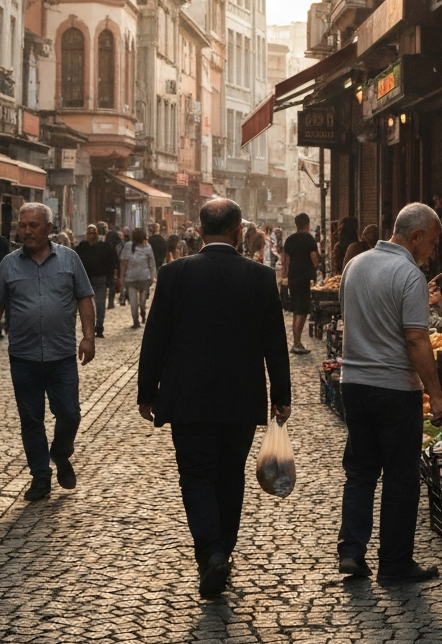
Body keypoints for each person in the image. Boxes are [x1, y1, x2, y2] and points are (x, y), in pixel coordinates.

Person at [138, 198, 292, 599]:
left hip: (187, 397)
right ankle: (222, 549)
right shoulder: (260, 277)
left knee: (196, 474)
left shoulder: (174, 274)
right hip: (241, 397)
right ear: (239, 232)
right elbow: (275, 341)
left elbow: (155, 336)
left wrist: (146, 391)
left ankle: (211, 553)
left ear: (201, 230)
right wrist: (282, 394)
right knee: (230, 475)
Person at [337, 204, 442, 584]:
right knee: (400, 477)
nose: (432, 251)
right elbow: (417, 338)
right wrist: (435, 396)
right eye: (432, 242)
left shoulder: (355, 265)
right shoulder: (409, 273)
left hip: (354, 383)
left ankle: (351, 553)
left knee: (360, 471)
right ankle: (395, 563)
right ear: (416, 236)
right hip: (393, 388)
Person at [0, 203, 96, 502]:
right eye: (23, 225)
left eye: (33, 225)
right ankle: (40, 476)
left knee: (69, 413)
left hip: (61, 355)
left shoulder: (69, 259)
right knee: (31, 420)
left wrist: (89, 337)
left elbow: (84, 297)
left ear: (49, 228)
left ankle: (61, 451)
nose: (26, 231)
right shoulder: (9, 264)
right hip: (24, 357)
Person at [281, 213, 321, 354]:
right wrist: (317, 265)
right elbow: (314, 259)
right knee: (302, 310)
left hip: (293, 277)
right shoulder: (308, 239)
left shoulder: (290, 239)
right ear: (307, 225)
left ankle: (296, 341)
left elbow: (285, 259)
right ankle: (297, 343)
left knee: (296, 308)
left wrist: (285, 274)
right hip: (304, 278)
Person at [75, 224, 118, 338]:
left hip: (100, 279)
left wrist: (111, 276)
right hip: (85, 279)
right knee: (85, 306)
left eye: (94, 233)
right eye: (90, 233)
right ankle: (87, 328)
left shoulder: (104, 247)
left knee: (100, 304)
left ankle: (99, 327)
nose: (91, 235)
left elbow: (112, 261)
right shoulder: (82, 247)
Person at [120, 227, 158, 329]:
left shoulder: (147, 248)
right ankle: (136, 320)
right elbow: (152, 264)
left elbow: (124, 262)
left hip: (140, 278)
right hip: (136, 278)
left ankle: (141, 315)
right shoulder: (130, 246)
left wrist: (123, 275)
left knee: (139, 302)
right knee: (135, 302)